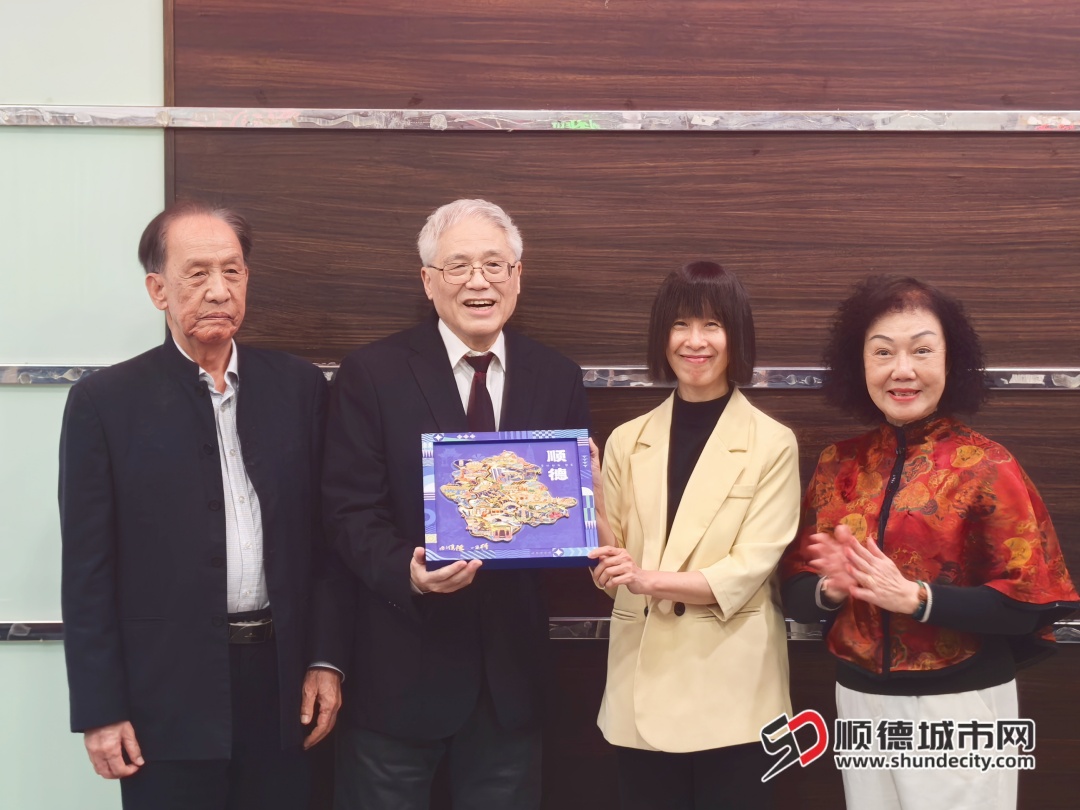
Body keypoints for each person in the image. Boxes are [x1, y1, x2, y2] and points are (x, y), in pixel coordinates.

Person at [59, 200, 350, 810]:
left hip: (282, 683)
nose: (219, 290)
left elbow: (326, 542)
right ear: (158, 290)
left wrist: (326, 659)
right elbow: (87, 571)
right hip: (164, 694)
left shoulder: (299, 387)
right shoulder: (104, 402)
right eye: (197, 274)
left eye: (232, 271)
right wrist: (100, 709)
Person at [323, 199, 590, 809]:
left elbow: (564, 515)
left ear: (517, 276)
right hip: (398, 676)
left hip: (509, 685)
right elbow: (347, 511)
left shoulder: (557, 376)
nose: (478, 281)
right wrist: (408, 572)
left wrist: (584, 504)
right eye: (458, 266)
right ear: (428, 281)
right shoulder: (373, 373)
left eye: (495, 264)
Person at [780, 275, 1080, 810]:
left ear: (951, 361)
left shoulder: (988, 465)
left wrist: (917, 599)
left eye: (922, 350)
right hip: (859, 702)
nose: (902, 370)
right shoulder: (837, 463)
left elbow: (1026, 607)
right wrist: (831, 588)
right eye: (883, 352)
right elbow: (796, 594)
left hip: (960, 706)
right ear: (858, 364)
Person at [588, 261, 801, 810]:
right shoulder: (626, 439)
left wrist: (644, 578)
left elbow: (746, 571)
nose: (695, 341)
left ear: (736, 336)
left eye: (712, 325)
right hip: (640, 688)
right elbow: (611, 570)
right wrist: (591, 502)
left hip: (733, 692)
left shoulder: (772, 442)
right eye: (680, 324)